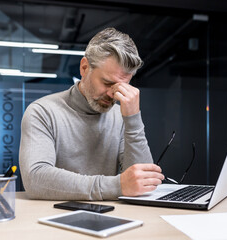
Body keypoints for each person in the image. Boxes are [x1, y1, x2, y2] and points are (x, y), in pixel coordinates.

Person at [19, 27, 164, 200]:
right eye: (107, 82)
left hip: (108, 217)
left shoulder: (121, 115)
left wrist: (133, 120)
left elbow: (143, 183)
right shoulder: (42, 112)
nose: (113, 94)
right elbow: (35, 179)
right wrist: (116, 186)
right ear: (84, 67)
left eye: (121, 87)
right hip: (52, 218)